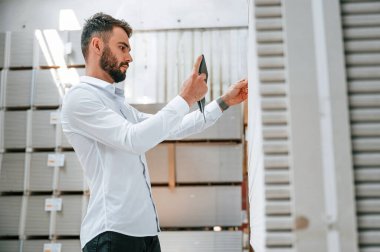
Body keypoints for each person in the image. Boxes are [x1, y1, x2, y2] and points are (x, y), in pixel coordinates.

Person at [61, 12, 248, 252]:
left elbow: (175, 126)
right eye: (122, 47)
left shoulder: (118, 105)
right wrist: (186, 97)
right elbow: (133, 140)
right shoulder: (80, 98)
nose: (130, 57)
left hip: (145, 234)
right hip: (111, 236)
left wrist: (224, 102)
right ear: (97, 45)